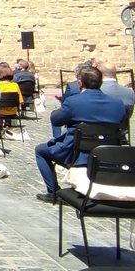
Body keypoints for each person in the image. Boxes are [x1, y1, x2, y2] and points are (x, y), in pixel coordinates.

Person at [34, 66, 126, 203]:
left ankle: (53, 192)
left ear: (80, 83)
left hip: (75, 153)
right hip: (106, 154)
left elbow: (56, 120)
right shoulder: (118, 104)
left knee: (40, 151)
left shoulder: (74, 101)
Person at [0, 64, 24, 131]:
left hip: (0, 112)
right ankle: (8, 125)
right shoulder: (15, 85)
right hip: (13, 111)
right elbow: (21, 101)